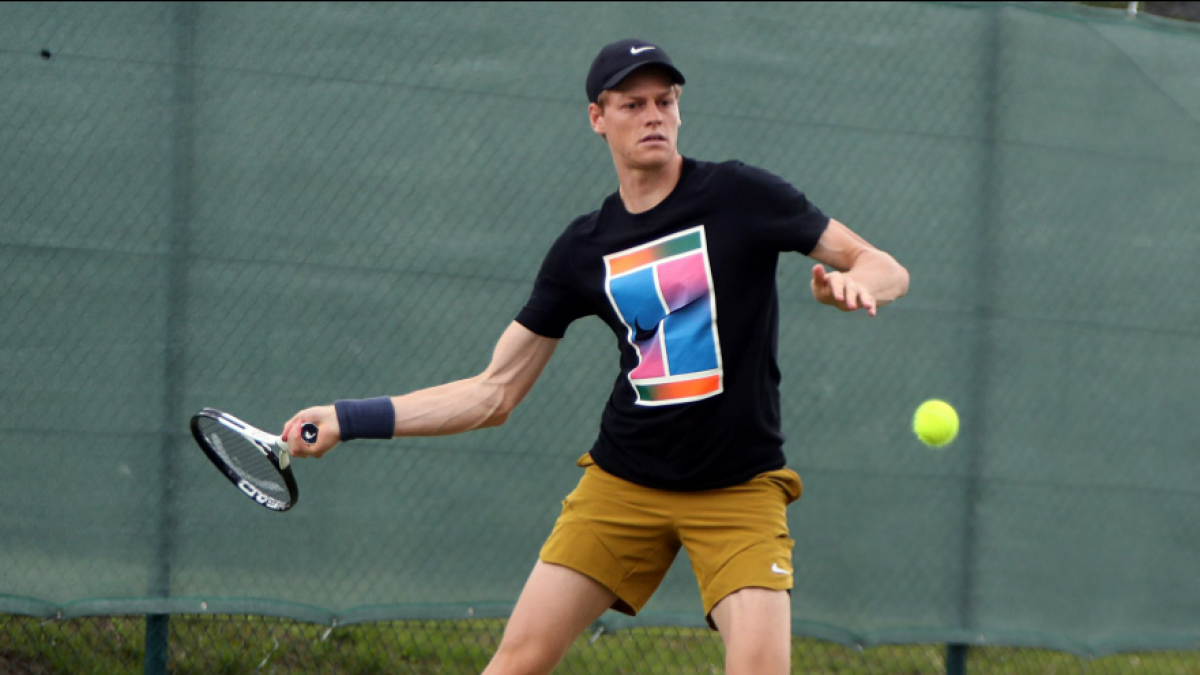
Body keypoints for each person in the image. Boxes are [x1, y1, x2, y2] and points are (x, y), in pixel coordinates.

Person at [282, 38, 909, 675]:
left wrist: (856, 287)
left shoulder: (741, 195)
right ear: (597, 117)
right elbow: (493, 393)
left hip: (738, 488)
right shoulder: (583, 249)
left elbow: (883, 266)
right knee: (515, 663)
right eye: (633, 104)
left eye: (665, 101)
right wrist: (346, 417)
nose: (654, 116)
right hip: (624, 484)